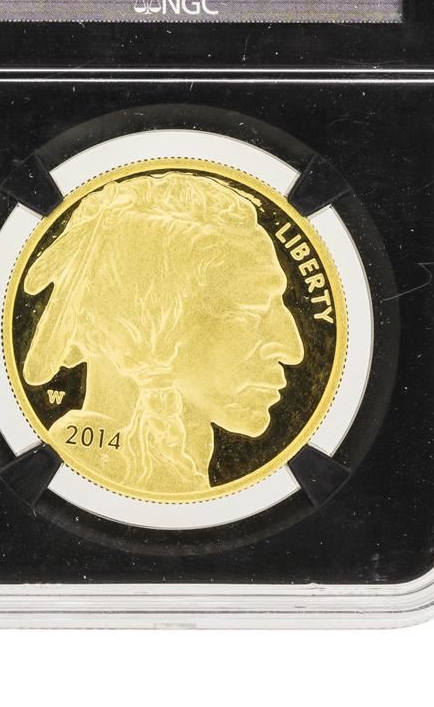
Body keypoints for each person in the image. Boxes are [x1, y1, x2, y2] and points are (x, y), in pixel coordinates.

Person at [22, 171, 304, 496]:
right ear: (149, 331)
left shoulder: (114, 482)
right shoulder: (103, 481)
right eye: (250, 310)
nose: (292, 348)